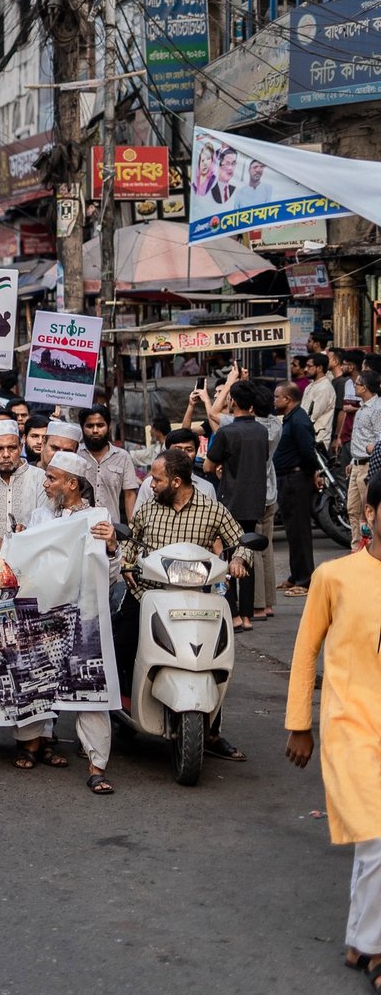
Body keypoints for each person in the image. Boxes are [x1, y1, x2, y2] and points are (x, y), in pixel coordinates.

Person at [285, 479, 381, 985]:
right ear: (371, 511)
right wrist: (299, 722)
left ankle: (361, 941)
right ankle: (376, 948)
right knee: (379, 836)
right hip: (349, 724)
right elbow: (305, 650)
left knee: (374, 844)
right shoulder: (335, 576)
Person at [118, 448, 251, 761]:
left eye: (157, 479)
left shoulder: (212, 510)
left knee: (212, 659)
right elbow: (130, 539)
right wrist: (126, 564)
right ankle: (121, 711)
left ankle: (212, 730)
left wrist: (240, 560)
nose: (151, 485)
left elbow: (239, 539)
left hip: (196, 598)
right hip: (146, 593)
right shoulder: (149, 509)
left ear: (176, 482)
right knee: (118, 643)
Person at [21, 451, 119, 794]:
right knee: (37, 680)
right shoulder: (38, 516)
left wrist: (111, 546)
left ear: (72, 484)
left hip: (85, 619)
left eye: (52, 478)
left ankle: (96, 766)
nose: (45, 484)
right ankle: (32, 745)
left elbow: (112, 573)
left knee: (89, 687)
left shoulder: (98, 518)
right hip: (44, 616)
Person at [204, 382, 270, 631]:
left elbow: (209, 466)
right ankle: (247, 616)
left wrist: (222, 470)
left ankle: (233, 615)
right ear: (252, 404)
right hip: (254, 500)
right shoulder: (261, 431)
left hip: (229, 501)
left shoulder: (226, 432)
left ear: (232, 402)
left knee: (228, 558)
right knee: (248, 556)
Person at [273, 381, 318, 595]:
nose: (274, 401)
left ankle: (305, 580)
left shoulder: (299, 420)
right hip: (286, 479)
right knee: (292, 531)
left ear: (287, 399)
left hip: (296, 478)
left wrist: (310, 474)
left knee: (300, 531)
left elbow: (308, 453)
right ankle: (295, 575)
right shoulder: (289, 419)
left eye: (276, 397)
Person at [77, 405, 138, 524]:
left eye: (100, 425)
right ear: (82, 428)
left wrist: (132, 529)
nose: (95, 430)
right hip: (81, 526)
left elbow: (129, 495)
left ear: (109, 427)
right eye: (89, 426)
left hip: (111, 528)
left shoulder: (122, 457)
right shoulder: (75, 455)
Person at [346, 370, 381, 553]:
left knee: (368, 511)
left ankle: (370, 550)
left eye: (357, 384)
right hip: (357, 464)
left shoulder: (377, 408)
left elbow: (379, 437)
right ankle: (356, 548)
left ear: (365, 387)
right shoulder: (362, 407)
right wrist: (353, 459)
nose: (355, 386)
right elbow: (359, 436)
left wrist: (372, 448)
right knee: (352, 508)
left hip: (369, 464)